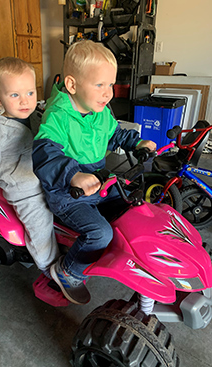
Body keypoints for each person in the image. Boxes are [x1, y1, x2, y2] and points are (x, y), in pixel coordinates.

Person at [32, 40, 156, 305]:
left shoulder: (100, 111)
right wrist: (72, 175)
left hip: (100, 184)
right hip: (68, 193)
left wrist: (136, 142)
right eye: (100, 85)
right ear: (72, 85)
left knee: (134, 209)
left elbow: (113, 135)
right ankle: (68, 271)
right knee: (101, 232)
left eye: (111, 84)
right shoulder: (58, 116)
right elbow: (44, 153)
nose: (108, 92)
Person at [0, 57, 59, 278]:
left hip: (48, 179)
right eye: (14, 95)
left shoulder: (34, 118)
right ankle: (51, 269)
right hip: (25, 191)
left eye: (30, 93)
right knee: (41, 228)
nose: (25, 101)